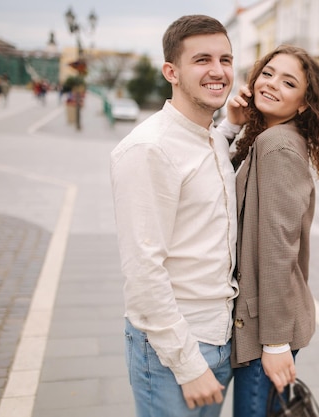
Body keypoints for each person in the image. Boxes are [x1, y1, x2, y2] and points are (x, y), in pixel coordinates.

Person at [110, 15, 241, 417]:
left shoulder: (210, 137)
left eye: (226, 59)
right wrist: (188, 366)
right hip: (174, 350)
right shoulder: (149, 149)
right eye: (202, 60)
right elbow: (143, 273)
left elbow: (205, 152)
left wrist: (233, 124)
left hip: (219, 338)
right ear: (172, 71)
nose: (218, 71)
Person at [221, 45, 319, 417]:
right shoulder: (267, 137)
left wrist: (275, 343)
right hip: (265, 320)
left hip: (267, 328)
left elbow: (279, 248)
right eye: (269, 73)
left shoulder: (276, 144)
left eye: (288, 82)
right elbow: (221, 187)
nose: (272, 84)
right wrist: (234, 120)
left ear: (303, 104)